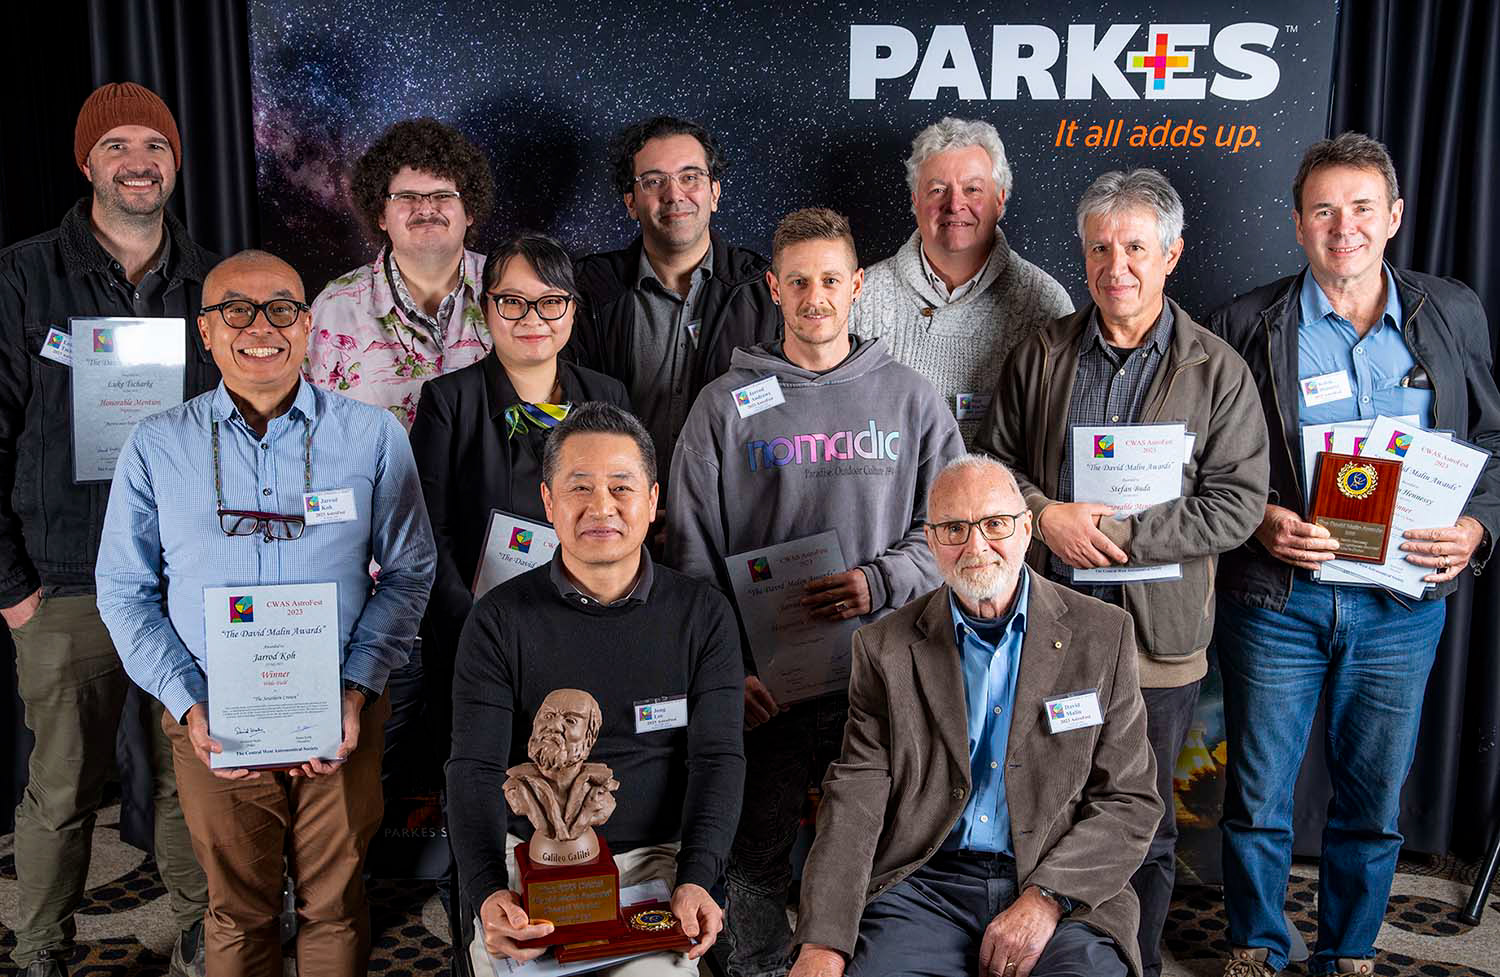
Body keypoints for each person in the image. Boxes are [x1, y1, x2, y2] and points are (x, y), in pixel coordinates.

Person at [95, 250, 436, 977]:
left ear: (307, 326)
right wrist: (189, 704)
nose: (261, 327)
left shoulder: (373, 435)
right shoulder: (156, 444)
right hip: (213, 723)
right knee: (238, 911)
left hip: (341, 717)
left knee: (336, 905)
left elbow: (410, 571)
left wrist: (355, 691)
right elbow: (124, 590)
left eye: (281, 309)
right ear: (206, 331)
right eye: (236, 311)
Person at [1207, 132, 1500, 977]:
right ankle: (1257, 948)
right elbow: (1209, 461)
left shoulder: (1452, 313)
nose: (1345, 228)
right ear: (1297, 223)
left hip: (1401, 603)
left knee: (1373, 799)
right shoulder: (1245, 322)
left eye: (1363, 208)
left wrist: (1476, 529)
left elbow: (1491, 444)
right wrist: (1260, 519)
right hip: (1279, 600)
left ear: (1395, 216)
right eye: (1324, 210)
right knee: (1258, 794)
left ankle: (1350, 952)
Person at [977, 169, 1269, 977]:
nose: (1118, 267)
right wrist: (1045, 516)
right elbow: (994, 467)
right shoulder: (1042, 353)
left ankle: (1131, 962)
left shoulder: (1217, 370)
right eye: (1101, 248)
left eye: (1137, 247)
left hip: (1158, 645)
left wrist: (1121, 534)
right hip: (1051, 630)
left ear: (1171, 254)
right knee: (1041, 805)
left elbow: (1238, 504)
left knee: (1145, 822)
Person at [666, 207, 964, 977]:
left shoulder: (913, 400)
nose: (815, 297)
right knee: (752, 852)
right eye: (798, 282)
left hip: (883, 676)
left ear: (857, 285)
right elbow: (691, 557)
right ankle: (756, 966)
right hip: (768, 689)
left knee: (883, 845)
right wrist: (728, 670)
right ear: (774, 288)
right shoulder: (723, 406)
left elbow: (953, 531)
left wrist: (877, 581)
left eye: (831, 280)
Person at [788, 455, 1161, 977]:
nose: (976, 546)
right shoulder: (883, 648)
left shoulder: (1103, 635)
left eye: (995, 524)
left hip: (1063, 888)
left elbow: (1130, 799)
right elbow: (855, 798)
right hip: (925, 886)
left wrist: (1046, 899)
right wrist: (822, 944)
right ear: (930, 540)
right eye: (954, 529)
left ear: (1026, 529)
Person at [0, 81, 214, 977]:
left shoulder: (211, 283)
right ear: (86, 162)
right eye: (116, 145)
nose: (138, 162)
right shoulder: (24, 276)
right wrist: (12, 587)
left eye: (155, 145)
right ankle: (42, 946)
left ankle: (205, 926)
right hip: (64, 580)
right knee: (61, 787)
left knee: (188, 774)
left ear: (175, 162)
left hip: (180, 582)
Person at [447, 402, 745, 976]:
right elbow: (474, 769)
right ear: (548, 502)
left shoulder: (703, 616)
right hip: (528, 862)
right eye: (579, 487)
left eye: (621, 487)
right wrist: (486, 893)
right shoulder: (498, 620)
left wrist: (697, 878)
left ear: (652, 501)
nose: (601, 506)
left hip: (653, 866)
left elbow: (718, 760)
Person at [408, 232, 628, 782]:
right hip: (477, 642)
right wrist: (481, 629)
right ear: (486, 309)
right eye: (512, 301)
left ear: (572, 310)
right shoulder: (447, 402)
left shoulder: (609, 398)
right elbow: (426, 537)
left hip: (587, 634)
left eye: (550, 302)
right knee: (488, 789)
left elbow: (626, 520)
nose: (533, 318)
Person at [570, 115, 781, 494]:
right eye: (654, 181)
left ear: (714, 193)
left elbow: (789, 414)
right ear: (631, 202)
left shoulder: (766, 291)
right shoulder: (588, 291)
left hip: (730, 511)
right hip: (620, 510)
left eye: (690, 177)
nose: (674, 194)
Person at [851, 117, 1074, 446]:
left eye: (972, 189)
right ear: (916, 200)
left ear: (1000, 199)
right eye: (938, 190)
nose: (955, 205)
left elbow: (1056, 441)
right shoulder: (861, 299)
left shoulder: (1044, 305)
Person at [306, 117, 495, 428]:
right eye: (407, 197)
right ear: (381, 215)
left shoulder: (512, 290)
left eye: (443, 196)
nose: (426, 209)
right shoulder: (333, 308)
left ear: (469, 211)